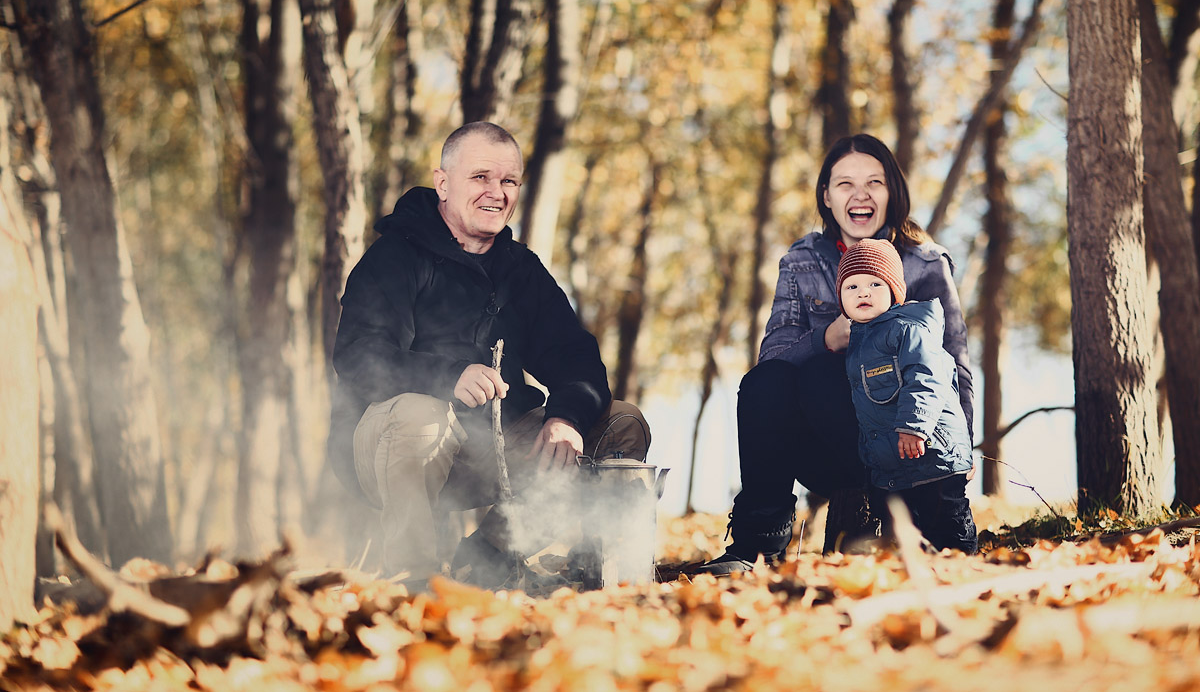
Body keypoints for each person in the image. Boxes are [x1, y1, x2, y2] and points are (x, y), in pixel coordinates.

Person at [328, 121, 650, 589]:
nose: (496, 192)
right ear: (443, 183)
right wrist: (447, 376)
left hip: (492, 448)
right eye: (480, 177)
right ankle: (412, 583)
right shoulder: (395, 256)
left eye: (508, 180)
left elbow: (576, 359)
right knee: (423, 414)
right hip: (390, 446)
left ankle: (490, 556)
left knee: (621, 423)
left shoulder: (521, 270)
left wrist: (565, 418)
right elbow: (357, 356)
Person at [697, 133, 974, 573]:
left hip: (907, 447)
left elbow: (953, 362)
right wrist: (827, 339)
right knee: (770, 380)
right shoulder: (802, 261)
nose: (860, 194)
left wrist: (963, 450)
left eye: (874, 183)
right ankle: (756, 547)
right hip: (831, 444)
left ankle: (916, 529)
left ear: (892, 193)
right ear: (826, 196)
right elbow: (774, 354)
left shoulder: (924, 262)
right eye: (845, 184)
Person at [835, 239, 977, 552]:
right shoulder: (857, 344)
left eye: (875, 283)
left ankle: (964, 566)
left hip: (934, 454)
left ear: (895, 291)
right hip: (893, 468)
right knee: (904, 537)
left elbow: (928, 376)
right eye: (851, 287)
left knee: (948, 527)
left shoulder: (907, 330)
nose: (863, 292)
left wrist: (914, 426)